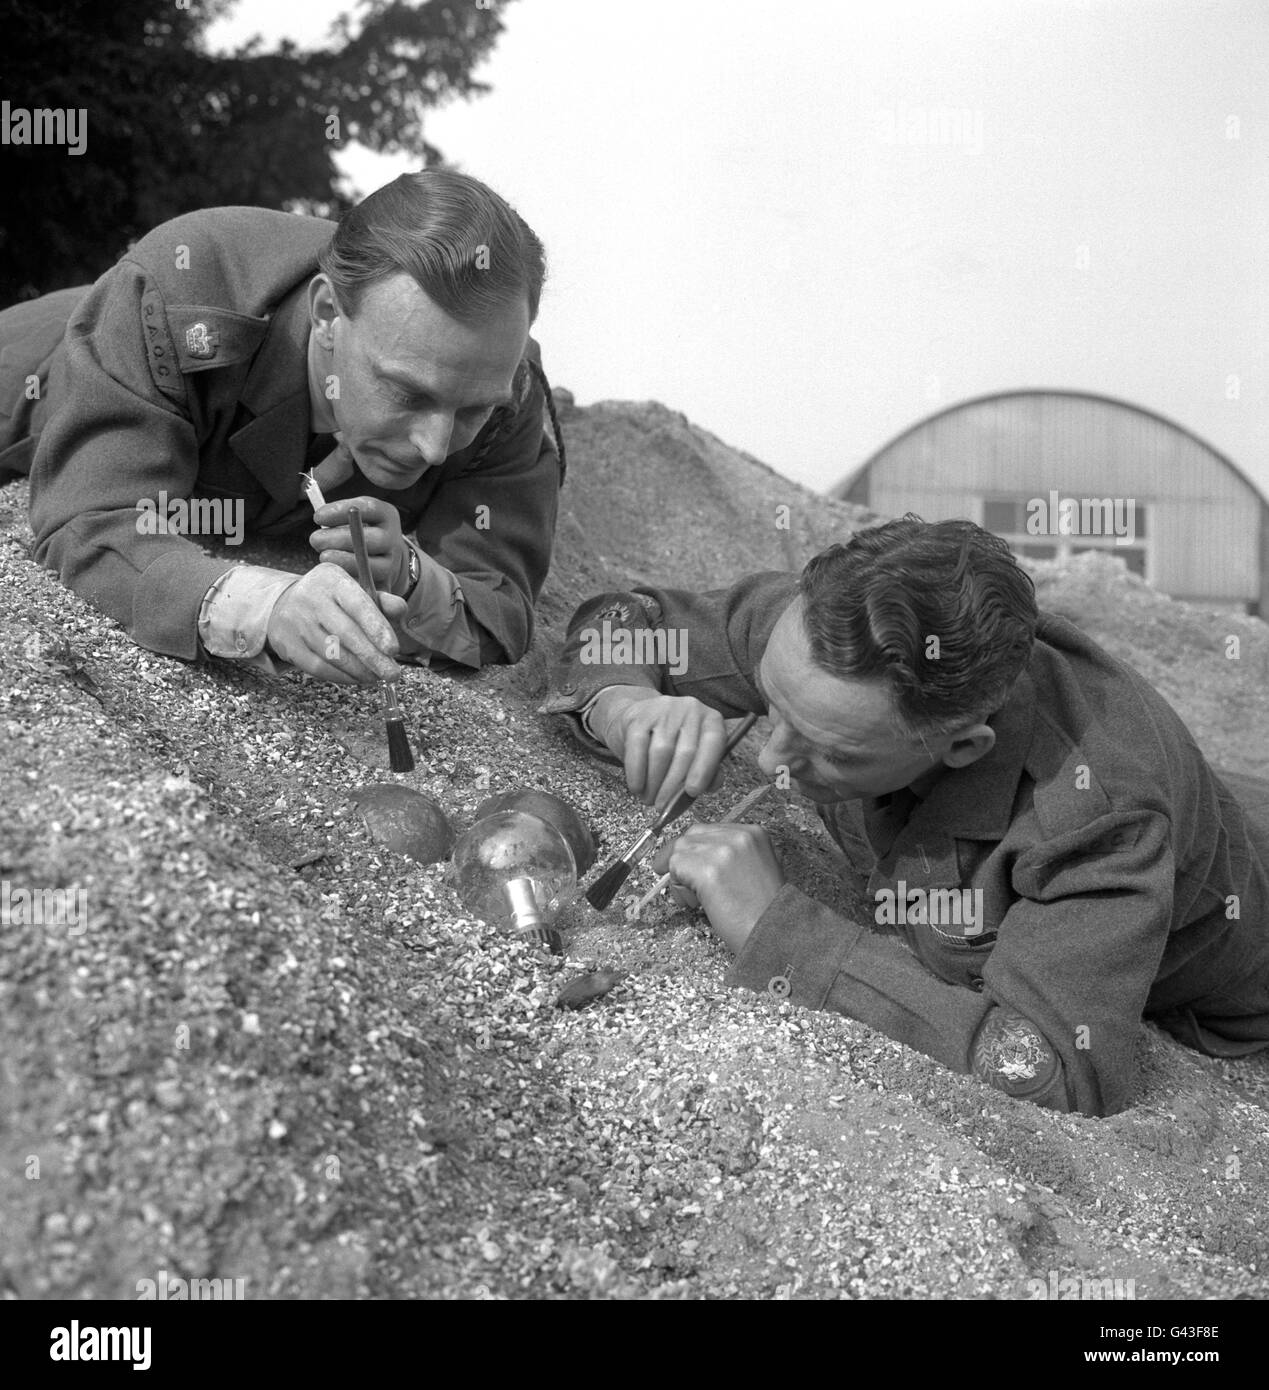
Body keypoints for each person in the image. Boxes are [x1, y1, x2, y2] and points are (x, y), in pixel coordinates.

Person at [542, 517, 1269, 1117]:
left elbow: (1054, 1070)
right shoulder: (829, 640)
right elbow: (626, 620)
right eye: (770, 704)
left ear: (962, 747)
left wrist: (783, 933)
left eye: (831, 754)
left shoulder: (1097, 820)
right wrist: (623, 704)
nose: (771, 763)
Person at [0, 170, 565, 685]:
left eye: (472, 410)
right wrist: (265, 605)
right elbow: (92, 522)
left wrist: (413, 578)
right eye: (407, 393)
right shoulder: (182, 293)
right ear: (326, 315)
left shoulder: (502, 383)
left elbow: (501, 608)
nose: (435, 448)